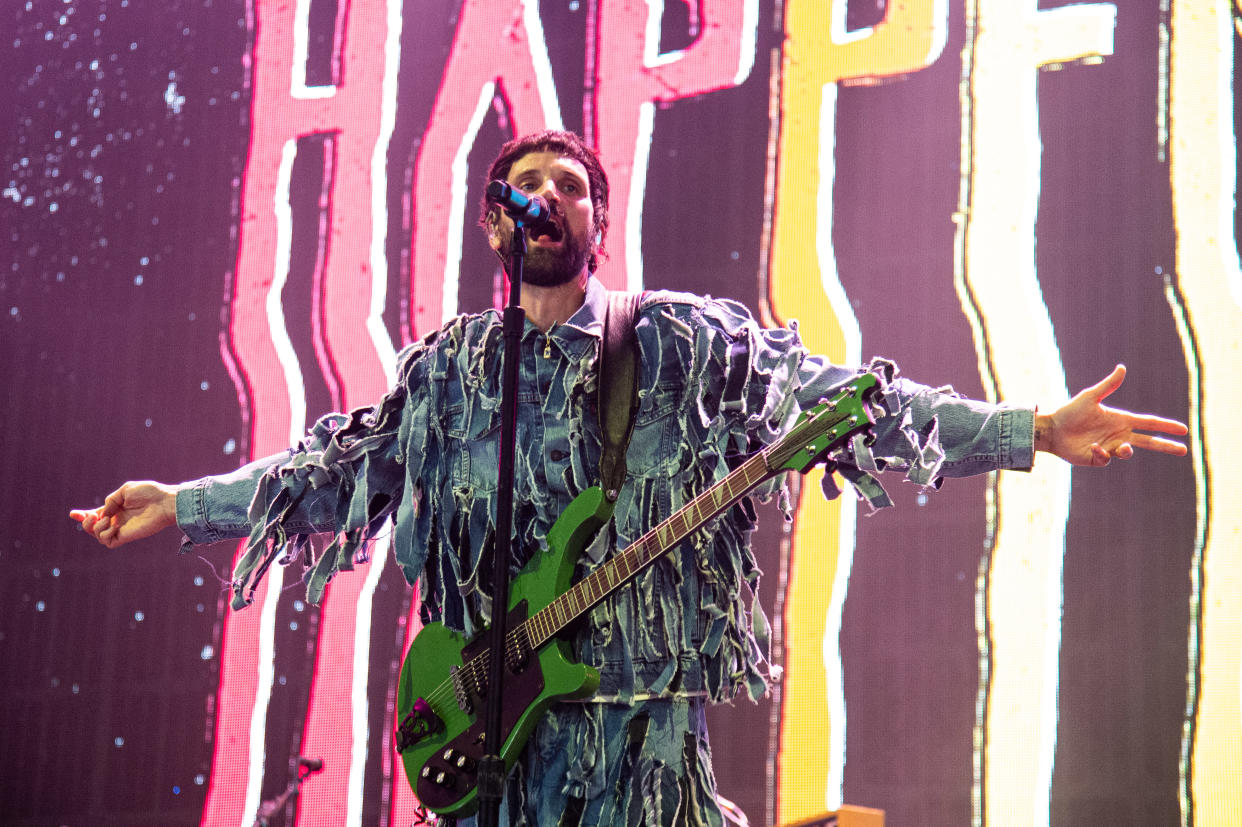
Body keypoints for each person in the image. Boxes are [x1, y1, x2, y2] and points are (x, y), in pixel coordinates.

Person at [71, 130, 1188, 825]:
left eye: (568, 183)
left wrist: (1028, 426)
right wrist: (184, 502)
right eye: (522, 183)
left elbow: (839, 399)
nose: (544, 196)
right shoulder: (455, 370)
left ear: (597, 217)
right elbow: (336, 468)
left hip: (639, 745)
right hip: (491, 751)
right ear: (494, 223)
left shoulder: (682, 344)